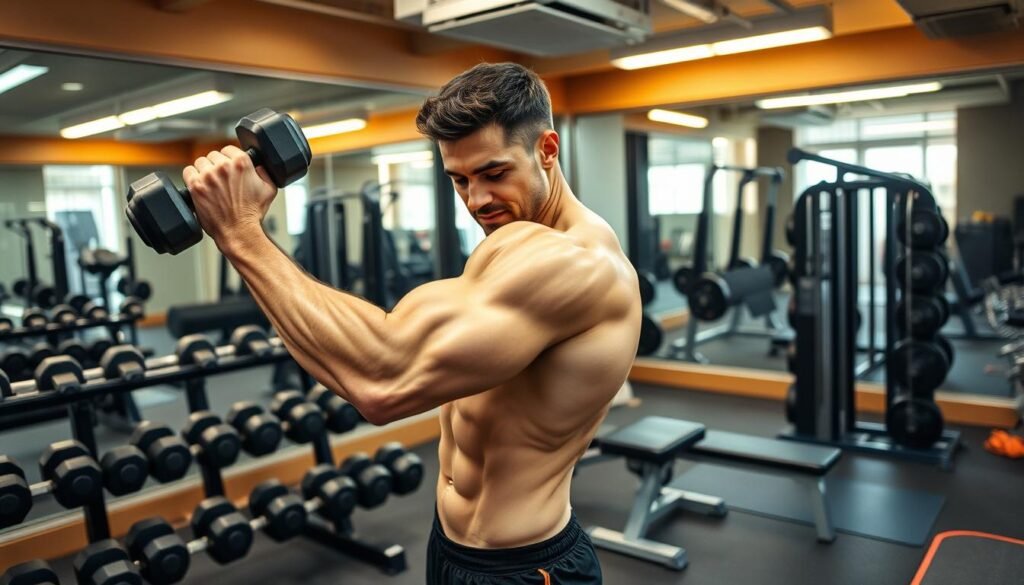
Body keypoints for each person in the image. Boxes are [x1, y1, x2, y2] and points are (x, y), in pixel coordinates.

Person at [182, 62, 641, 584]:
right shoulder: (513, 243)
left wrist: (241, 234)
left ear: (547, 150)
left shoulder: (578, 262)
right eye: (459, 180)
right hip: (450, 546)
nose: (477, 200)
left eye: (494, 174)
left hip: (524, 566)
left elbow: (382, 382)